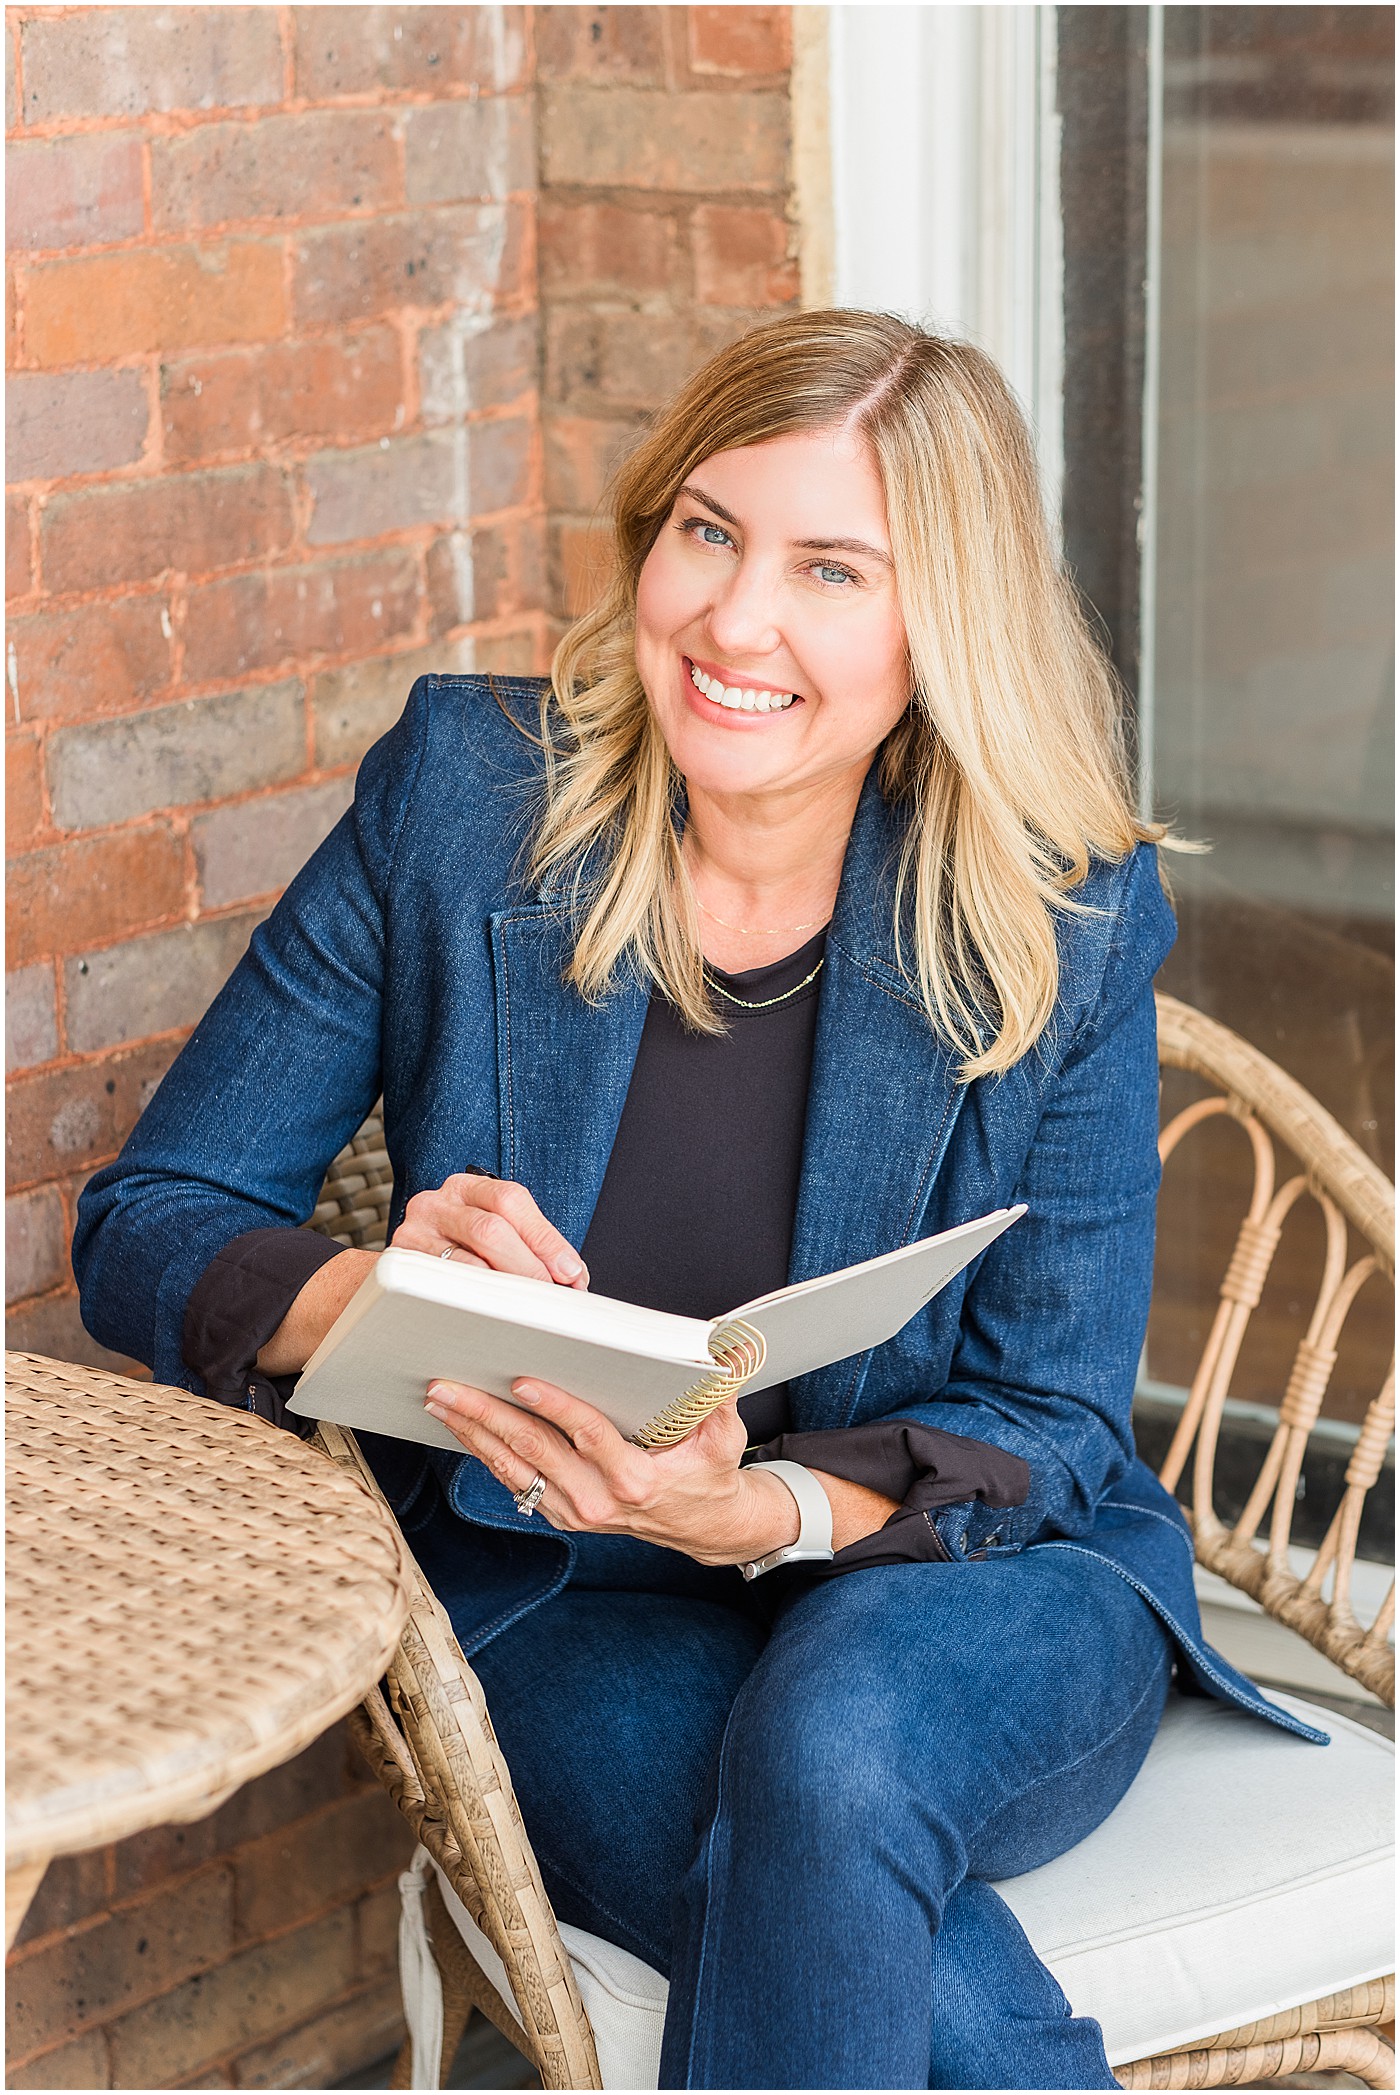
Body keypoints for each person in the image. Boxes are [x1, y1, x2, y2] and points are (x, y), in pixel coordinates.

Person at [74, 310, 1321, 2092]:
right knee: (931, 1997)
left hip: (973, 1589)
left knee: (840, 1735)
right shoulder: (464, 805)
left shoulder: (1068, 915)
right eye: (710, 533)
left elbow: (1046, 1421)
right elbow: (149, 1220)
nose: (738, 622)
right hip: (565, 1592)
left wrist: (765, 1520)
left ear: (935, 627)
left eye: (832, 568)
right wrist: (372, 1302)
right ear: (651, 538)